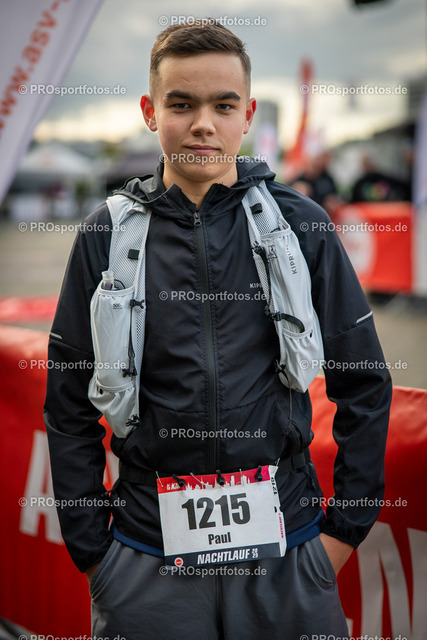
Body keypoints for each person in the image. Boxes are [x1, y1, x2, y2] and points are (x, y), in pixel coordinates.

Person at [44, 19, 392, 639]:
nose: (203, 124)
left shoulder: (301, 226)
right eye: (182, 104)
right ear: (150, 111)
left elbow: (363, 382)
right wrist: (94, 551)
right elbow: (68, 401)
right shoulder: (106, 234)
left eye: (223, 106)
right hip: (145, 557)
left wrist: (342, 534)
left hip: (290, 551)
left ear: (247, 114)